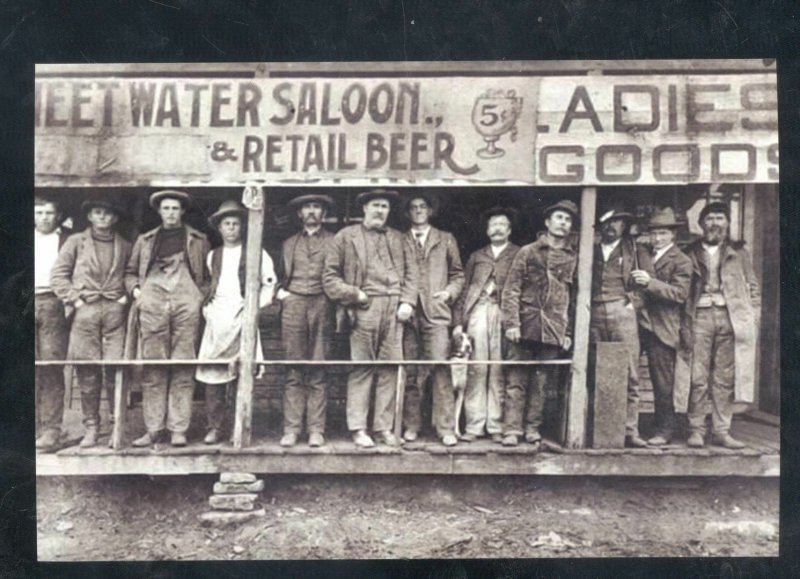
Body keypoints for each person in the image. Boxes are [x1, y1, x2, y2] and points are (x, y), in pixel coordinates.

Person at [323, 189, 418, 448]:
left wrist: (408, 302)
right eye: (375, 205)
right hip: (364, 307)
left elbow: (413, 274)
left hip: (395, 309)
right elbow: (330, 278)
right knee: (362, 368)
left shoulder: (399, 238)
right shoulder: (346, 237)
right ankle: (359, 428)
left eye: (385, 207)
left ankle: (384, 428)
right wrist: (355, 294)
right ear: (364, 208)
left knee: (389, 368)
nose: (380, 211)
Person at [125, 190, 210, 447]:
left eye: (175, 208)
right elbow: (129, 273)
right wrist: (137, 292)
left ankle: (178, 429)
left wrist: (197, 297)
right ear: (159, 212)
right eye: (166, 208)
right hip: (153, 304)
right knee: (153, 367)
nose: (171, 213)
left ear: (182, 211)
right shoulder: (146, 240)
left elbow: (207, 276)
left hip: (186, 303)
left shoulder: (198, 239)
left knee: (184, 364)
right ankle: (153, 429)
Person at [50, 194, 132, 447]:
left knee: (115, 370)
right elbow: (59, 275)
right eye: (97, 213)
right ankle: (91, 428)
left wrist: (123, 300)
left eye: (107, 213)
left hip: (115, 313)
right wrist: (75, 300)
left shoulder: (125, 245)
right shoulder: (76, 242)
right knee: (87, 373)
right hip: (85, 311)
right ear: (89, 216)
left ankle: (116, 427)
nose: (102, 217)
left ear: (115, 218)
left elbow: (133, 274)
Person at [195, 200, 275, 445]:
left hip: (242, 317)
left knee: (243, 373)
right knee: (213, 374)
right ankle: (215, 427)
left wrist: (253, 309)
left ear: (243, 227)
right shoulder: (213, 255)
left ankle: (241, 426)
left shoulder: (257, 253)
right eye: (227, 224)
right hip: (217, 319)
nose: (231, 228)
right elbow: (209, 285)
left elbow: (269, 286)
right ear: (220, 228)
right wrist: (207, 308)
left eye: (236, 224)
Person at [500, 200, 579, 448]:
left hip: (554, 328)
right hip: (526, 324)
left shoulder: (572, 258)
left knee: (542, 383)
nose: (563, 223)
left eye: (567, 220)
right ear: (547, 223)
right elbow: (511, 289)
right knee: (517, 379)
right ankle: (511, 430)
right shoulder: (528, 251)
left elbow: (573, 298)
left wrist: (567, 331)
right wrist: (512, 323)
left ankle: (532, 428)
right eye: (558, 218)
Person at [682, 201, 760, 449]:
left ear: (727, 223)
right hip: (699, 318)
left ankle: (721, 431)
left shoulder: (739, 253)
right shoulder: (689, 252)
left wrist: (752, 317)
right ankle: (696, 429)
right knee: (697, 377)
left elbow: (753, 288)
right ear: (701, 223)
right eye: (710, 219)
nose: (715, 223)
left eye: (719, 218)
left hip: (731, 319)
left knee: (724, 378)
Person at [401, 193, 465, 447]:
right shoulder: (400, 239)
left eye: (422, 207)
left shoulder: (445, 239)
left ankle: (446, 427)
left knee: (440, 368)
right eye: (413, 207)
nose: (418, 211)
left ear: (430, 211)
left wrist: (448, 293)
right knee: (411, 371)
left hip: (437, 313)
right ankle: (411, 426)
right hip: (407, 315)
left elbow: (458, 275)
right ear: (408, 213)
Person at [452, 207, 520, 443]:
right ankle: (474, 424)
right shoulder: (476, 256)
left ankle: (496, 425)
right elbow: (464, 290)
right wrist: (458, 323)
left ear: (509, 230)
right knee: (477, 368)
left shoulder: (518, 254)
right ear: (488, 230)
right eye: (493, 224)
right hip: (478, 312)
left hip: (503, 313)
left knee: (498, 369)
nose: (498, 228)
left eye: (502, 224)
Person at [590, 205, 654, 448]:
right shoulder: (590, 249)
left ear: (624, 226)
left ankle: (630, 430)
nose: (611, 227)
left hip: (622, 311)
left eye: (617, 222)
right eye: (607, 222)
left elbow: (648, 281)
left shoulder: (635, 251)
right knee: (593, 371)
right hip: (594, 312)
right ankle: (595, 429)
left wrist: (633, 305)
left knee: (630, 373)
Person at [274, 194, 335, 448]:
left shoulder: (335, 241)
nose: (311, 211)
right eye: (307, 207)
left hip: (322, 303)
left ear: (323, 212)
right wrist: (282, 294)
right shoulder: (288, 243)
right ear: (299, 213)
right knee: (294, 368)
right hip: (294, 304)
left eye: (316, 207)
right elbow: (276, 277)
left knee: (318, 369)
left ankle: (316, 430)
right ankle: (291, 429)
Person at [631, 207, 692, 446]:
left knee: (662, 382)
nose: (658, 238)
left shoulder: (682, 260)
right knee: (630, 377)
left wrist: (650, 283)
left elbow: (680, 294)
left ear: (672, 235)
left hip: (663, 326)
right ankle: (629, 429)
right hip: (638, 322)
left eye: (663, 233)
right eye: (654, 233)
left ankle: (665, 430)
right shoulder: (643, 253)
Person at [34, 196, 71, 451]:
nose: (44, 217)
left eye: (49, 213)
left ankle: (51, 431)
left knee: (51, 367)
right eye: (39, 213)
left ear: (57, 215)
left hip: (53, 302)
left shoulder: (68, 239)